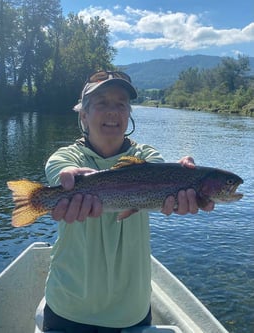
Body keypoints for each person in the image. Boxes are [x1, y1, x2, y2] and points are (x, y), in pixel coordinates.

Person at [42, 70, 214, 332]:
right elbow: (61, 171)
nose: (113, 112)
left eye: (121, 105)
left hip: (129, 310)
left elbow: (159, 171)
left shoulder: (145, 156)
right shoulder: (65, 157)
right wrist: (70, 180)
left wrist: (181, 179)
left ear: (129, 114)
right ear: (84, 115)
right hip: (68, 305)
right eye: (102, 104)